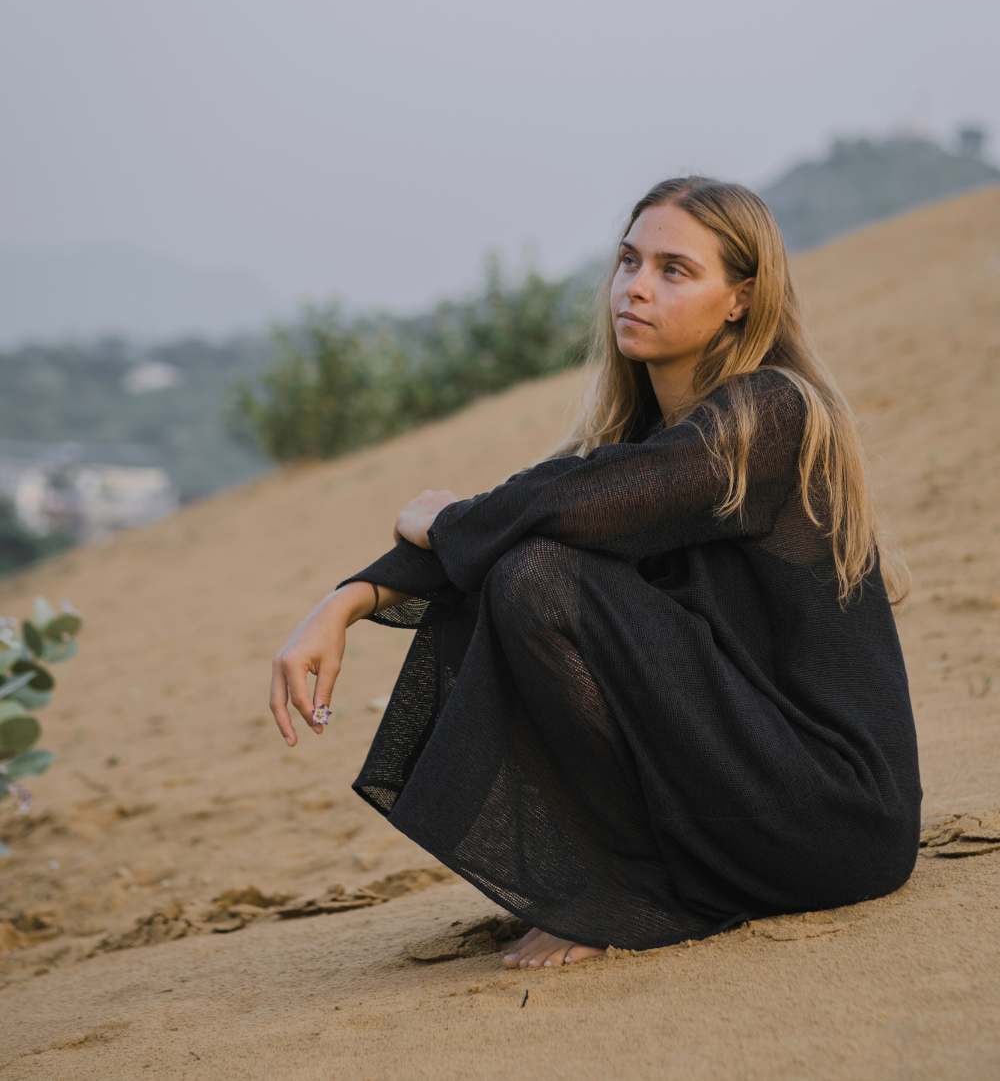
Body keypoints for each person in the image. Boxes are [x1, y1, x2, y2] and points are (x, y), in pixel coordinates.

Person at [270, 177, 921, 970]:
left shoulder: (772, 414)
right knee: (528, 557)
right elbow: (535, 504)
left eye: (674, 270)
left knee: (538, 576)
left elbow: (539, 515)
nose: (636, 288)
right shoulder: (640, 440)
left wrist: (446, 521)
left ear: (741, 300)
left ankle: (630, 890)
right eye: (628, 261)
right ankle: (634, 880)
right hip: (747, 793)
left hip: (831, 817)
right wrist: (348, 600)